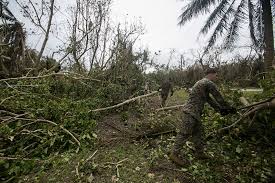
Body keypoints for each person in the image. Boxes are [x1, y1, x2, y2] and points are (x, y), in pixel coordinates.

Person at [169, 68, 236, 166]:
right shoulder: (208, 83)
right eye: (216, 75)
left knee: (198, 133)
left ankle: (199, 153)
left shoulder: (201, 83)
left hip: (195, 113)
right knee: (184, 133)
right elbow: (218, 97)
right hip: (190, 112)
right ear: (211, 74)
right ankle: (174, 154)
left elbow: (209, 99)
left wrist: (220, 109)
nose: (216, 78)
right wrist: (228, 108)